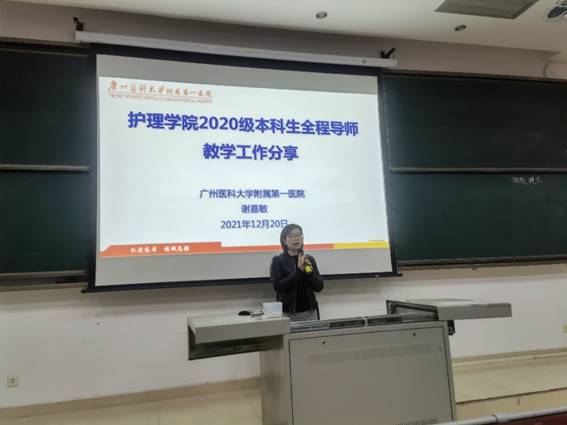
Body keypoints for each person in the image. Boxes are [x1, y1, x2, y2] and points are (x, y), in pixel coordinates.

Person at [270, 224, 324, 321]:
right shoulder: (278, 260)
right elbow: (278, 287)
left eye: (299, 235)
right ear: (284, 240)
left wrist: (310, 274)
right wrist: (298, 271)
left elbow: (319, 287)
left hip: (310, 312)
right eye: (292, 235)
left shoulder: (309, 259)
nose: (296, 238)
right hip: (288, 313)